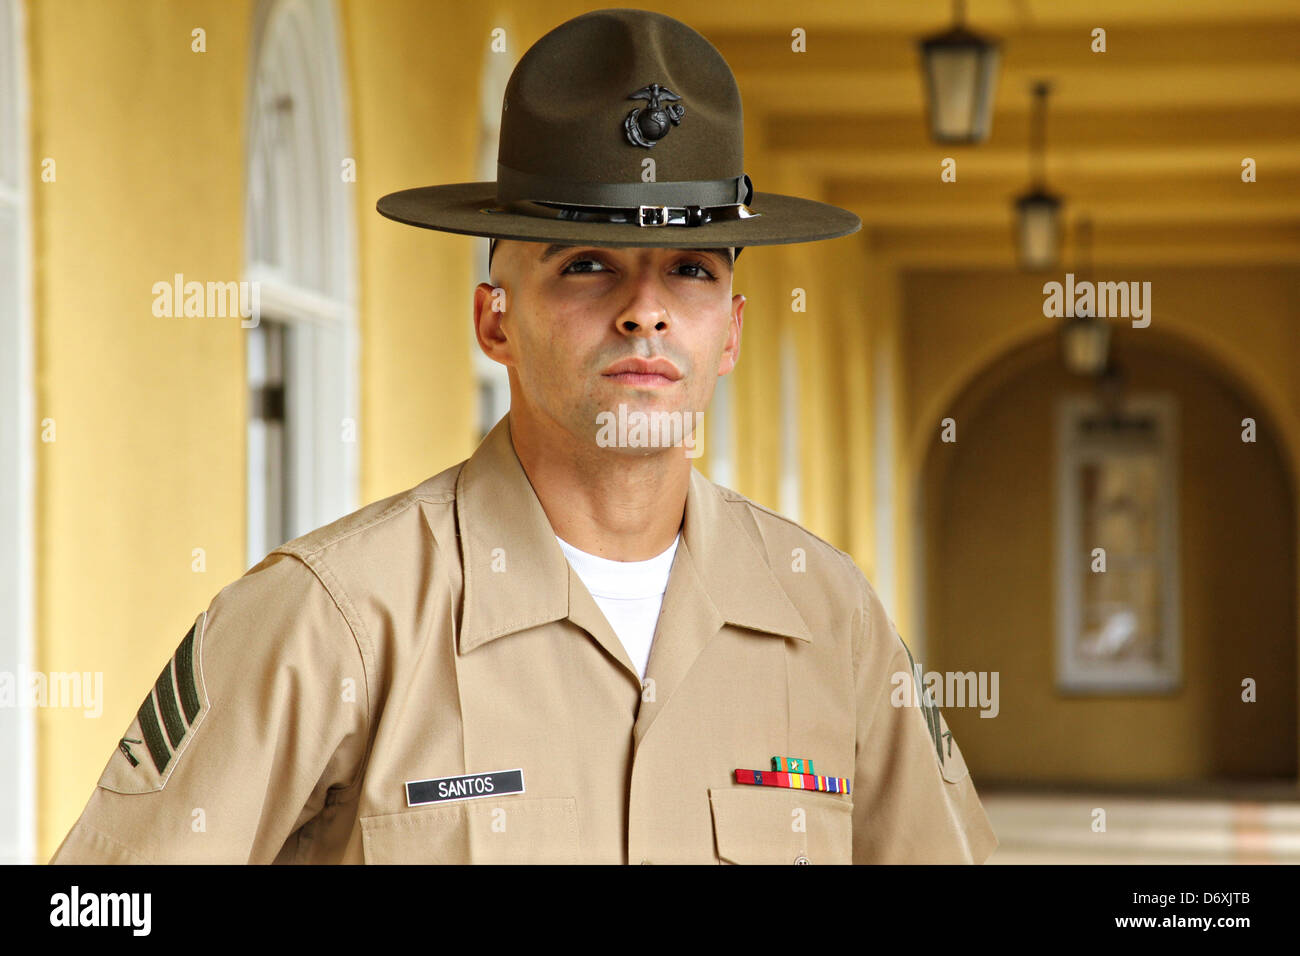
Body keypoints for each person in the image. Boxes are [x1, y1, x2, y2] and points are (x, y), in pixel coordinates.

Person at [50, 7, 996, 864]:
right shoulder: (335, 620)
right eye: (587, 265)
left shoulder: (831, 620)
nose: (645, 313)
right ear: (494, 321)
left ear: (732, 332)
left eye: (691, 270)